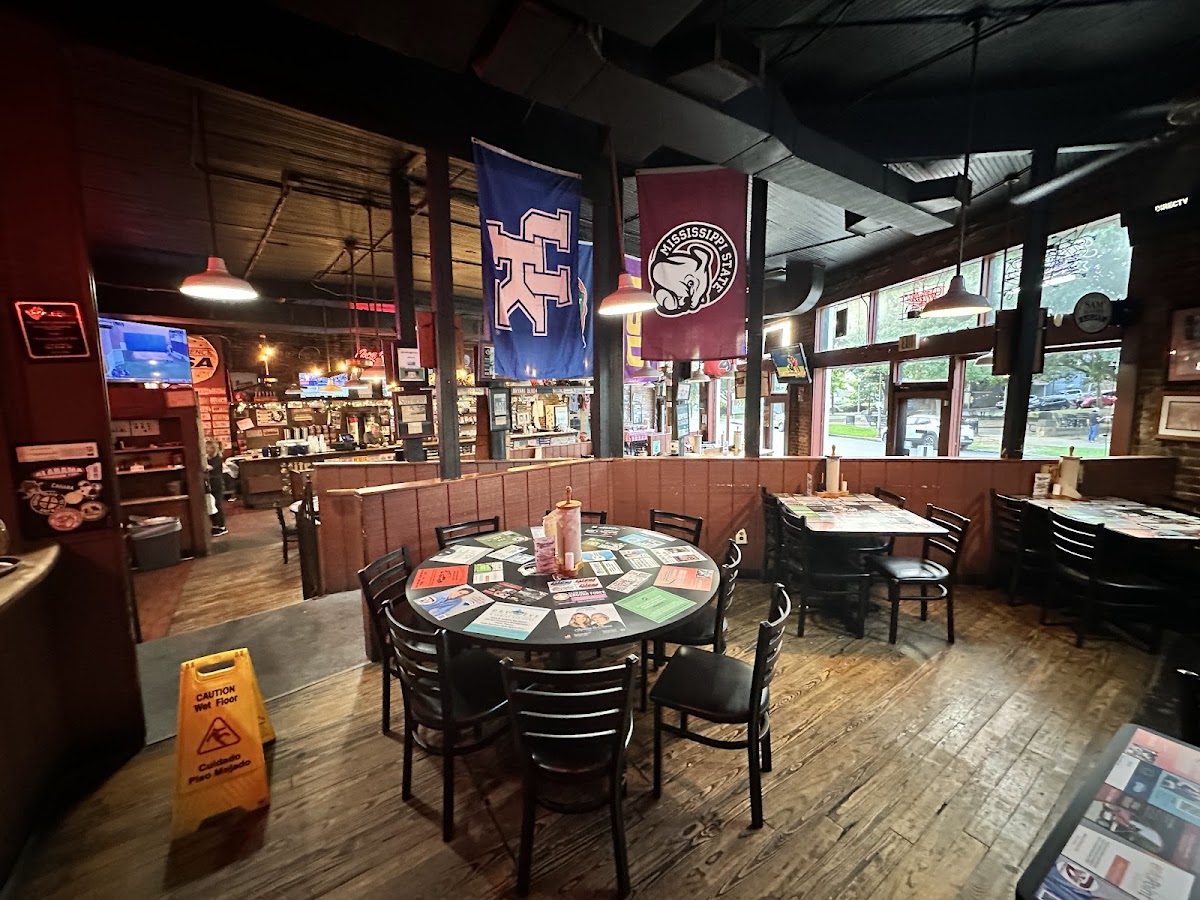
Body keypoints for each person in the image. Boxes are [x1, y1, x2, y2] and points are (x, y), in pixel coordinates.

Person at [205, 439, 228, 536]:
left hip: (217, 484)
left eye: (206, 447)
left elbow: (208, 468)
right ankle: (215, 525)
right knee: (211, 505)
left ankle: (221, 526)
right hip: (211, 484)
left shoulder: (217, 458)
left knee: (217, 504)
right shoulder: (209, 458)